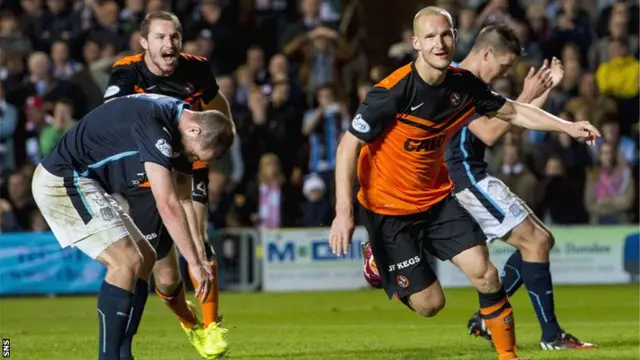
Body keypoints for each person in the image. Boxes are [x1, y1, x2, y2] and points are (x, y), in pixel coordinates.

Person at [329, 7, 599, 360]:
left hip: (437, 200)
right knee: (430, 305)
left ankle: (508, 356)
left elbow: (514, 112)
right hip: (389, 210)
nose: (439, 43)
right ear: (416, 44)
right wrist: (344, 211)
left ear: (455, 37)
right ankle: (377, 261)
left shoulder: (465, 85)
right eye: (430, 37)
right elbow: (348, 145)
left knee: (486, 274)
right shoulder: (392, 93)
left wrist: (567, 126)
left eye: (445, 35)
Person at [31, 93, 235, 360]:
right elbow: (167, 203)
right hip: (63, 179)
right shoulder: (155, 124)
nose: (192, 157)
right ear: (195, 129)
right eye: (196, 153)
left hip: (86, 182)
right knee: (125, 261)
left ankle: (124, 352)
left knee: (146, 257)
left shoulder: (175, 118)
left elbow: (183, 194)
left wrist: (197, 254)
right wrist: (194, 264)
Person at [103, 11, 233, 359]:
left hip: (190, 161)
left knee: (197, 235)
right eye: (160, 37)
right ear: (144, 42)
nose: (169, 44)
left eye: (174, 37)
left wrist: (224, 132)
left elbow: (216, 103)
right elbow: (113, 114)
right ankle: (189, 322)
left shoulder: (197, 68)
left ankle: (211, 326)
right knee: (165, 275)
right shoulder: (127, 71)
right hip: (147, 165)